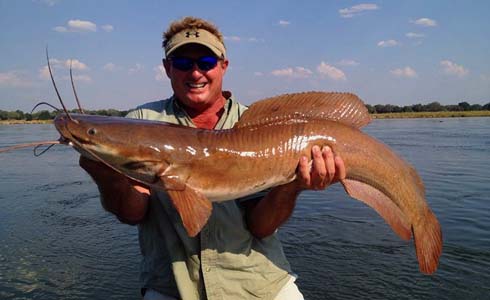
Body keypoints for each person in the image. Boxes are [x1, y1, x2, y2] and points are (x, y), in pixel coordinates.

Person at [80, 16, 346, 300]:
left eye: (205, 62)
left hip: (259, 283)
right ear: (167, 68)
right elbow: (132, 213)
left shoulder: (258, 126)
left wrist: (293, 185)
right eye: (183, 63)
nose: (195, 73)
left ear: (223, 66)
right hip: (175, 287)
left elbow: (261, 226)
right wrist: (107, 176)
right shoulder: (142, 121)